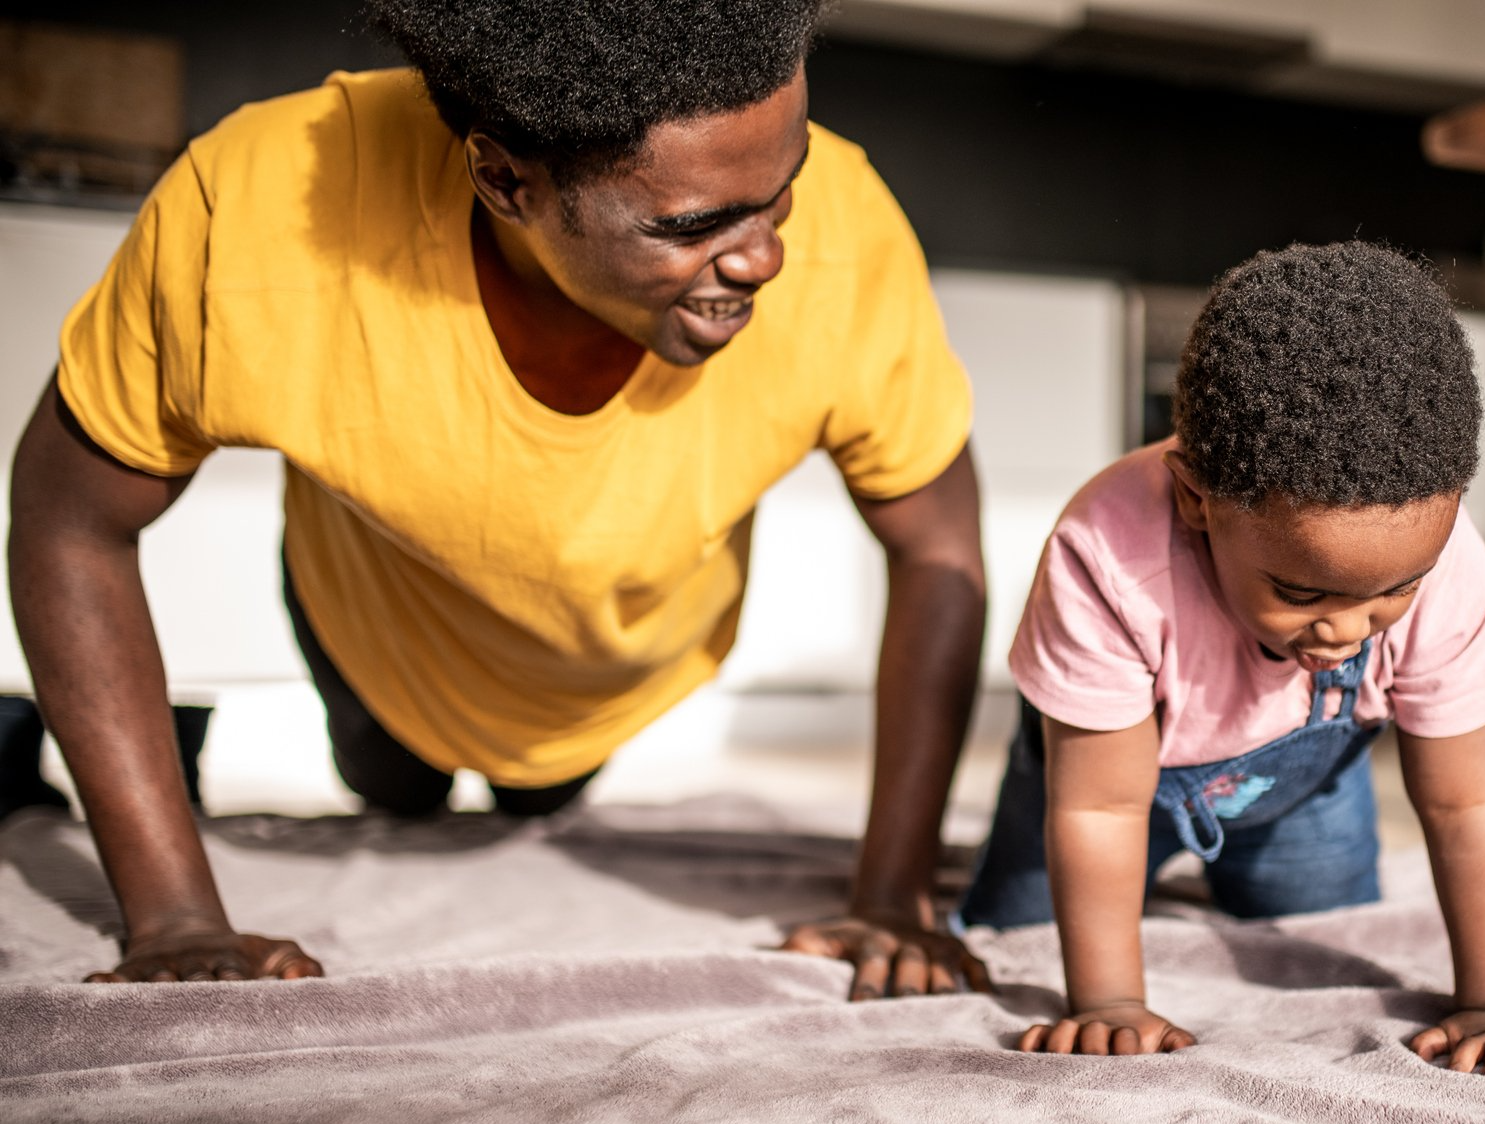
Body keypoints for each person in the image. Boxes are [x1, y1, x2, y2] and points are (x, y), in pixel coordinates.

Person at [7, 0, 991, 999]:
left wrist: (894, 894)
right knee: (393, 791)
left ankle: (538, 777)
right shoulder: (250, 212)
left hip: (612, 675)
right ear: (505, 180)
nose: (764, 256)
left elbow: (939, 544)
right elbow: (68, 518)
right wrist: (173, 914)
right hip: (374, 647)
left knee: (540, 798)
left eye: (783, 193)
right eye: (692, 226)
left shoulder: (854, 231)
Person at [958, 241, 1485, 1076]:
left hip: (1297, 798)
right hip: (1094, 788)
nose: (1348, 631)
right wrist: (1107, 1004)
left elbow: (1468, 807)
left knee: (1321, 937)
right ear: (1196, 501)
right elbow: (1100, 813)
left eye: (1391, 592)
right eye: (1301, 594)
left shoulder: (1450, 566)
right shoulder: (1104, 553)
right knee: (1022, 938)